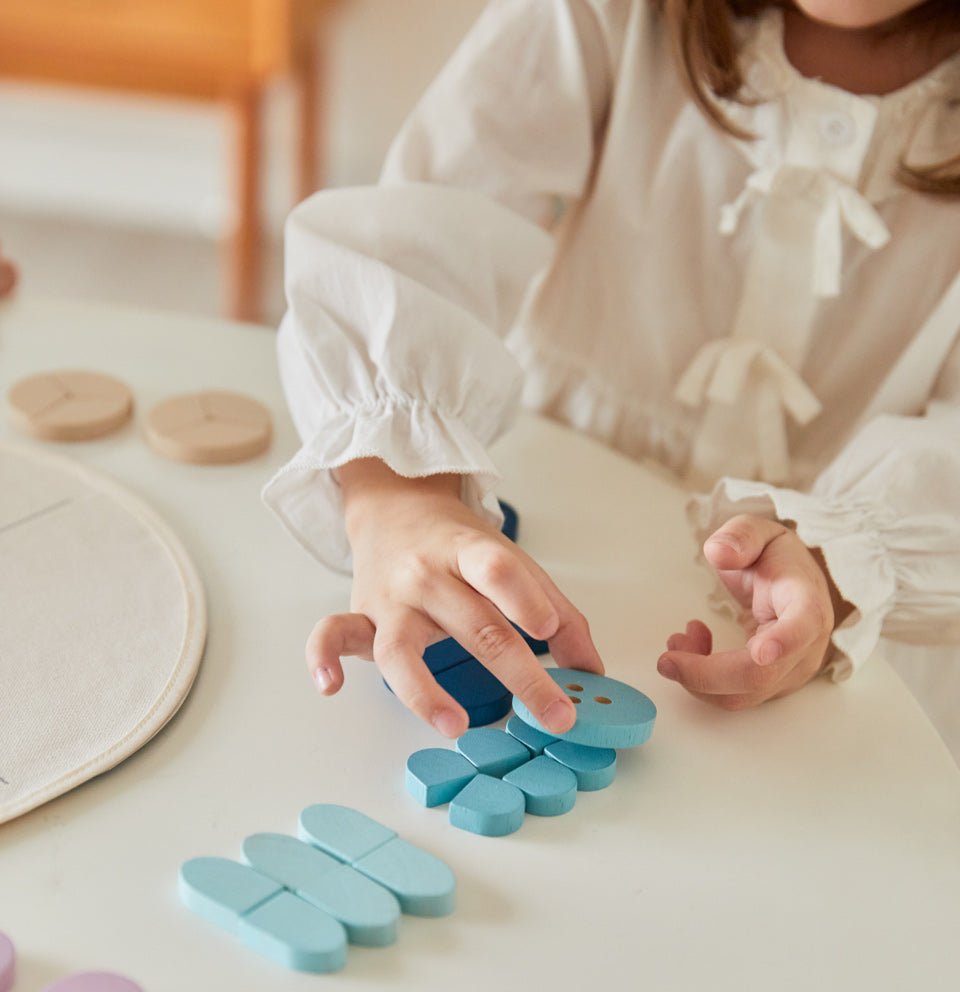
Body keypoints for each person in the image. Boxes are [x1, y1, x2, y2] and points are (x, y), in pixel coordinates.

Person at [262, 0, 960, 756]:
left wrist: (841, 561)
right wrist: (396, 498)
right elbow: (424, 227)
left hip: (850, 665)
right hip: (551, 545)